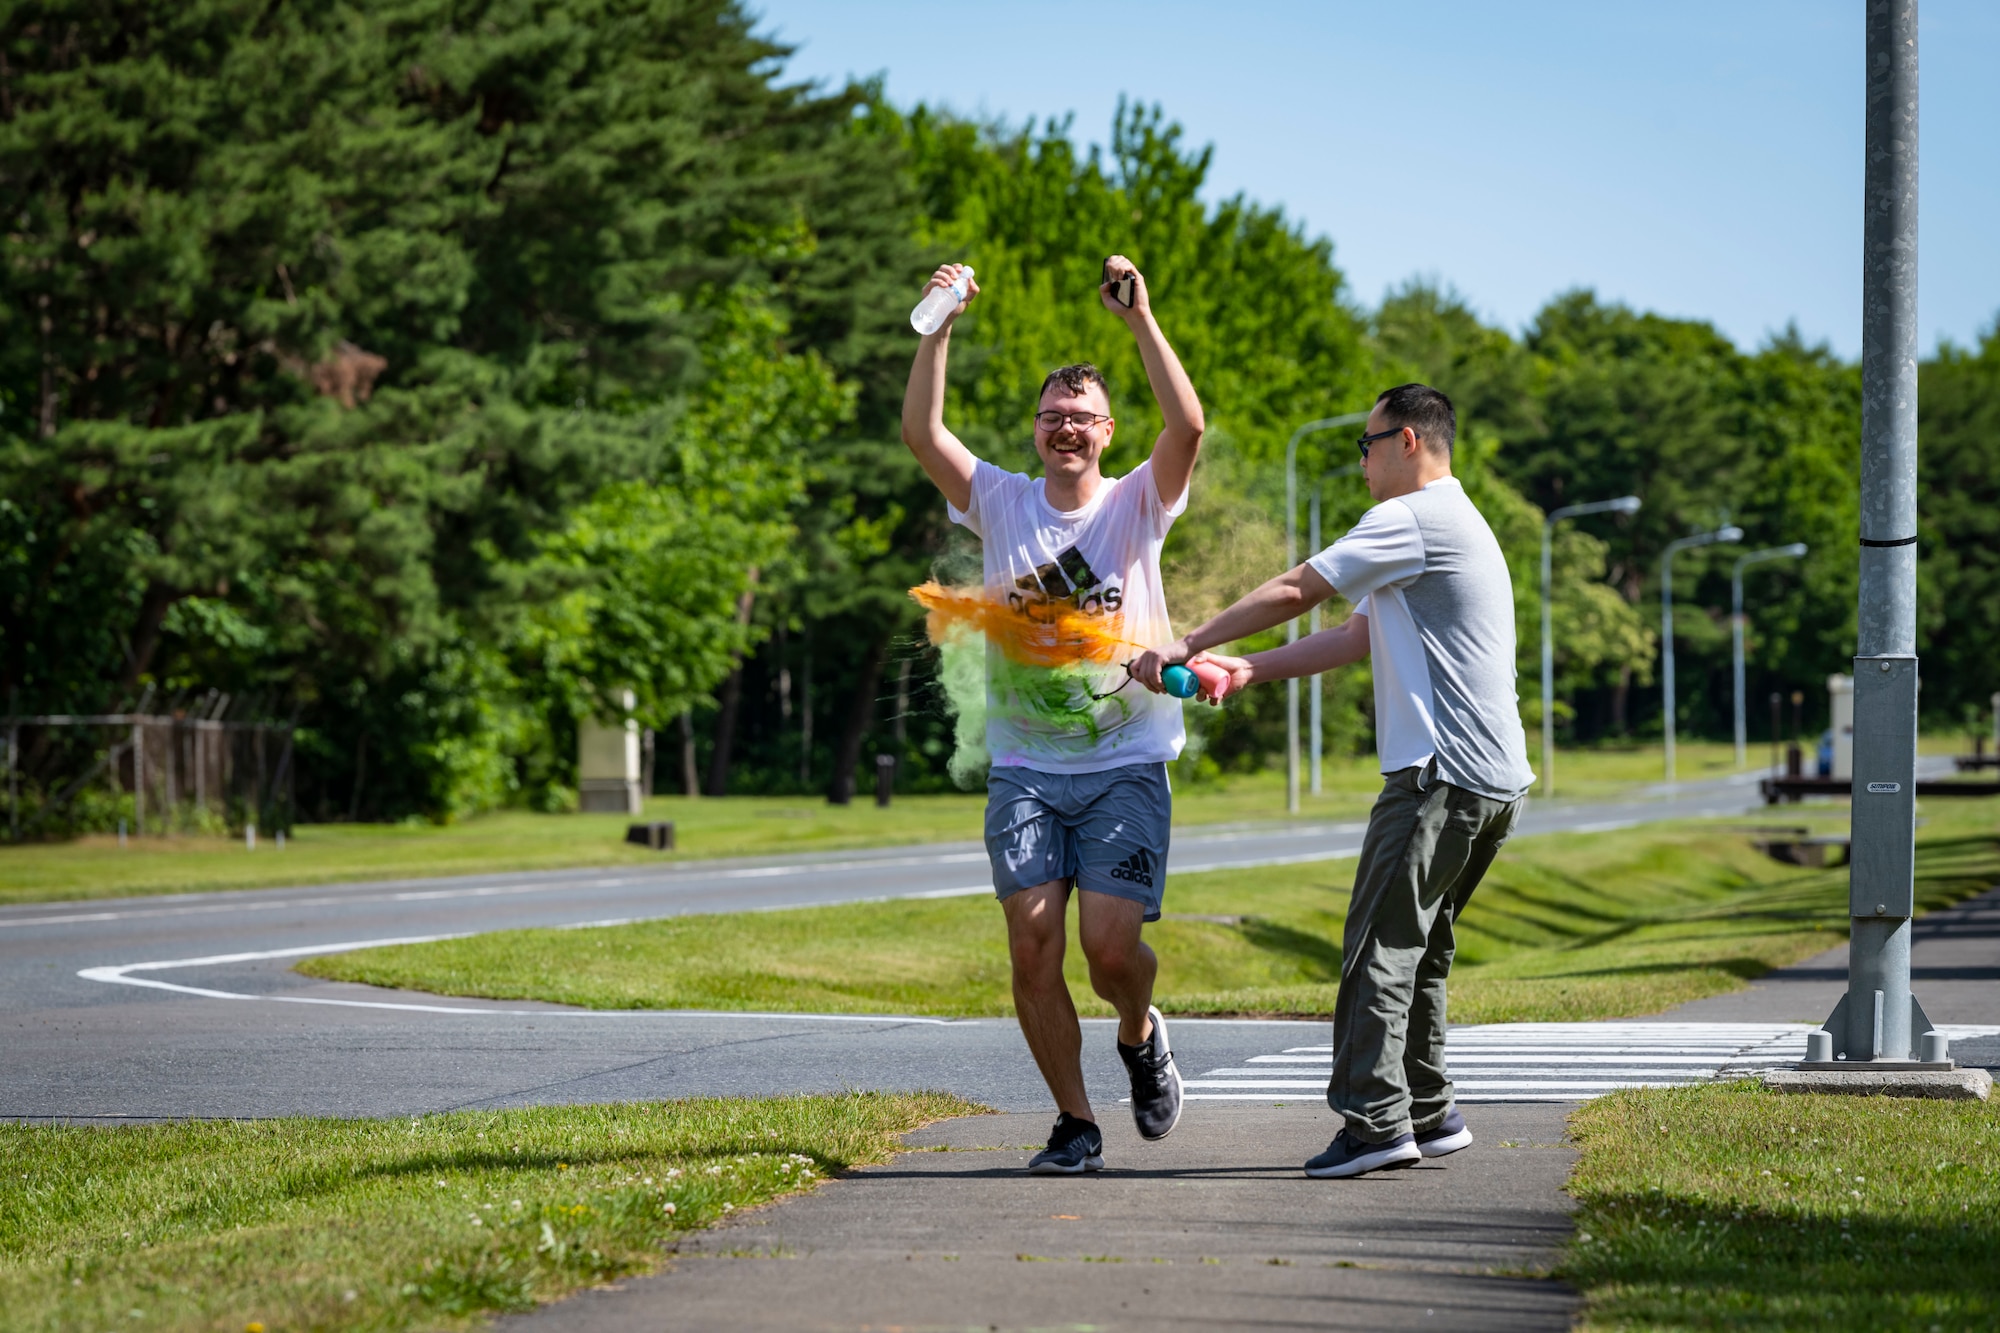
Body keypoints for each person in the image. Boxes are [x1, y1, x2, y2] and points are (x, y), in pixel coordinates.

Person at [1133, 383, 1534, 1179]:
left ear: (1409, 442)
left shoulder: (1410, 517)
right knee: (1421, 949)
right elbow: (1354, 635)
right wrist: (1247, 668)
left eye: (1368, 443)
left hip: (1437, 776)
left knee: (1377, 949)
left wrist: (1189, 641)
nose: (1361, 462)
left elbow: (1295, 590)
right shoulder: (1457, 520)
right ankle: (1428, 1106)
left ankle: (1375, 1122)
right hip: (1493, 782)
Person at [899, 257, 1206, 1174]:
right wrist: (941, 323)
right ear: (1035, 431)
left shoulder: (1138, 502)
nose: (1065, 428)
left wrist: (1140, 322)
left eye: (1082, 417)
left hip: (1124, 765)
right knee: (1033, 940)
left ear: (1108, 432)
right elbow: (922, 432)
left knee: (1110, 951)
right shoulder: (999, 499)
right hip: (1028, 769)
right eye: (1052, 417)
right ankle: (1076, 1122)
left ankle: (1141, 1029)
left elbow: (1187, 424)